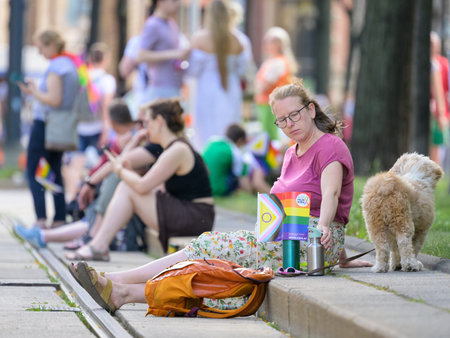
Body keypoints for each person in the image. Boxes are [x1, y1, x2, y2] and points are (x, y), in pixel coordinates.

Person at [69, 79, 372, 313]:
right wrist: (339, 254)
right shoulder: (293, 153)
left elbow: (330, 196)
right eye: (281, 120)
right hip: (285, 238)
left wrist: (327, 238)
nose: (289, 125)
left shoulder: (330, 147)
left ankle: (118, 280)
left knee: (209, 246)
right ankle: (124, 292)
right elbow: (300, 206)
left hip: (306, 243)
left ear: (311, 109)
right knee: (220, 270)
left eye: (294, 115)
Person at [64, 98, 214, 260]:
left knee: (127, 188)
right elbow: (134, 170)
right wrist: (122, 167)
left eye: (146, 122)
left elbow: (142, 186)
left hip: (195, 217)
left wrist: (120, 171)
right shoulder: (174, 147)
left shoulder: (177, 150)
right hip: (191, 214)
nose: (144, 129)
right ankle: (98, 244)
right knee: (127, 187)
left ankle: (98, 245)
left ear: (159, 121)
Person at [14, 99, 156, 249]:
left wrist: (90, 182)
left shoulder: (140, 142)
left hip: (127, 200)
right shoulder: (141, 141)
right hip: (117, 198)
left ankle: (82, 238)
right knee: (96, 207)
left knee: (115, 180)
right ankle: (47, 236)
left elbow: (118, 163)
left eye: (142, 123)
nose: (138, 127)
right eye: (138, 122)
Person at [17, 29, 79, 229]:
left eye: (40, 47)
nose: (39, 52)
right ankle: (59, 217)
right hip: (59, 128)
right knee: (54, 171)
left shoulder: (56, 67)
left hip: (45, 126)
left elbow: (54, 99)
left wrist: (34, 92)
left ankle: (41, 219)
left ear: (51, 44)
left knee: (36, 170)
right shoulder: (70, 64)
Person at [188, 0, 247, 149]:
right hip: (230, 88)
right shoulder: (238, 40)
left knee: (205, 130)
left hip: (207, 89)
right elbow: (242, 70)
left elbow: (192, 71)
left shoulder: (199, 38)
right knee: (228, 126)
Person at [136, 0, 189, 103]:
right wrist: (172, 54)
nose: (177, 4)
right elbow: (140, 56)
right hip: (160, 88)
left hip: (175, 85)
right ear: (161, 2)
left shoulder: (172, 24)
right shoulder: (152, 25)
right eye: (174, 1)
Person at [254, 27, 298, 140]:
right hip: (265, 104)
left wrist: (258, 86)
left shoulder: (279, 62)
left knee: (271, 137)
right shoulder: (271, 61)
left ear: (278, 44)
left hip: (272, 106)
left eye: (269, 41)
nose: (266, 44)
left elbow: (265, 85)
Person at [202, 123, 271, 196]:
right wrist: (250, 193)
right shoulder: (234, 151)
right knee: (239, 170)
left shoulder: (212, 141)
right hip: (217, 190)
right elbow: (242, 178)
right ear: (240, 141)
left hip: (204, 188)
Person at [430, 31, 449, 166]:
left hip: (435, 112)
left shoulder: (439, 64)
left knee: (436, 145)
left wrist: (442, 113)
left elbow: (440, 91)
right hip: (430, 110)